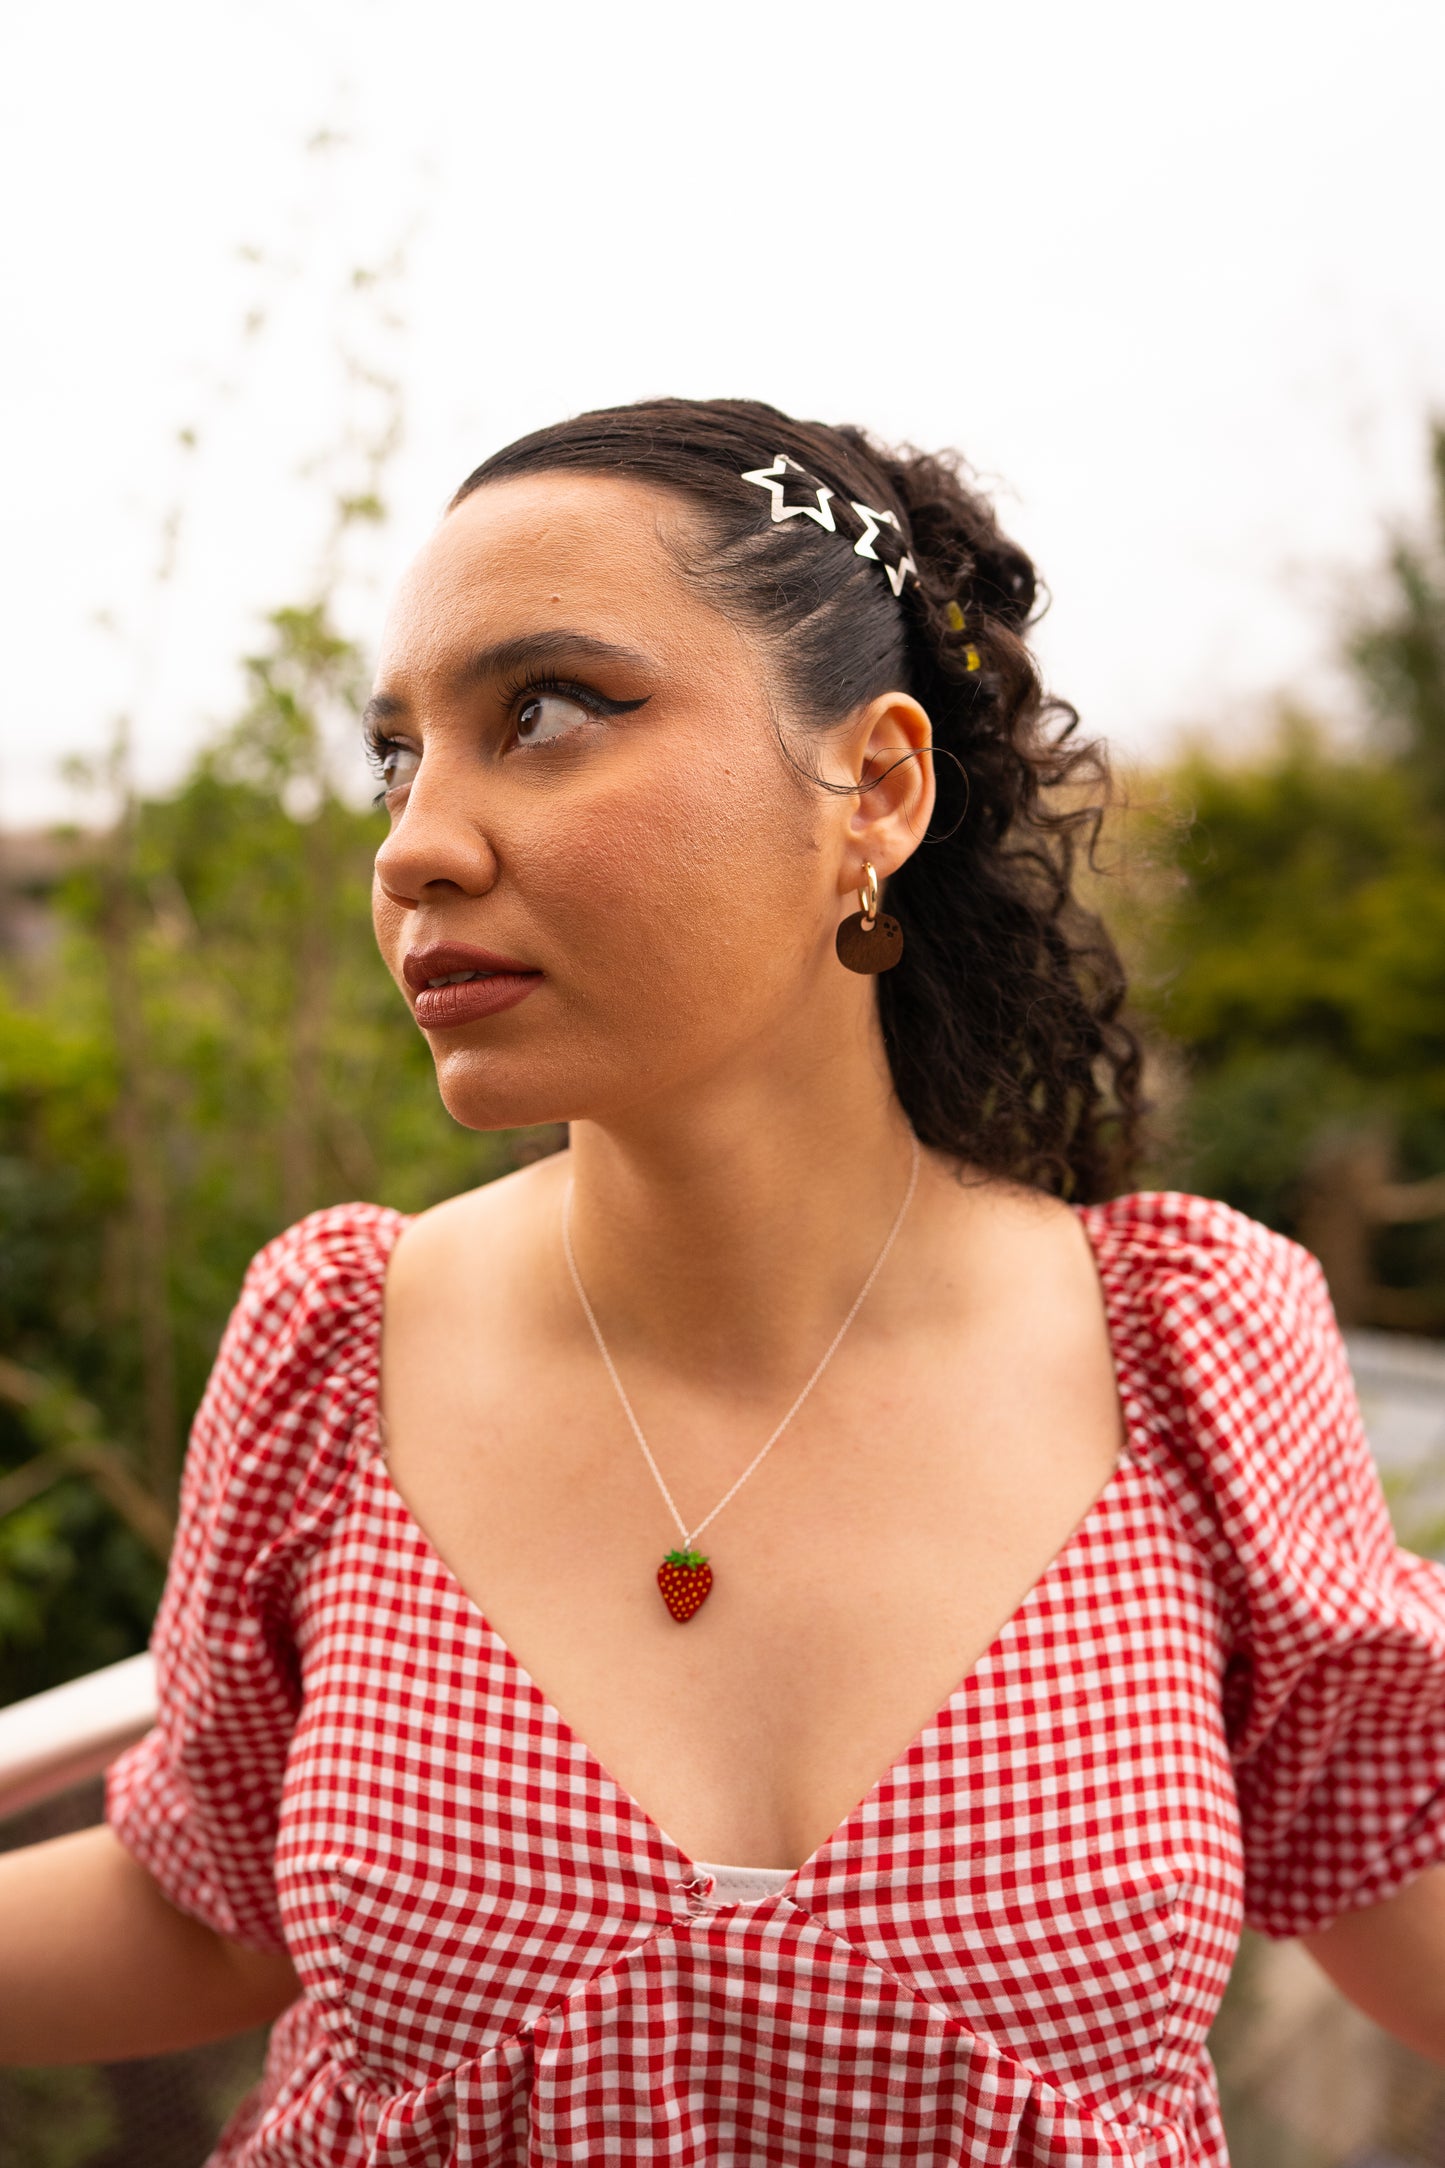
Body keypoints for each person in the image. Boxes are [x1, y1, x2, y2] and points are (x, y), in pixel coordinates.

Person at [4, 396, 1445, 2166]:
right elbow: (211, 1911)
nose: (412, 847)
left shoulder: (1190, 1346)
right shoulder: (333, 1342)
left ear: (877, 785)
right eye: (400, 755)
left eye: (541, 714)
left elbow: (1386, 1868)